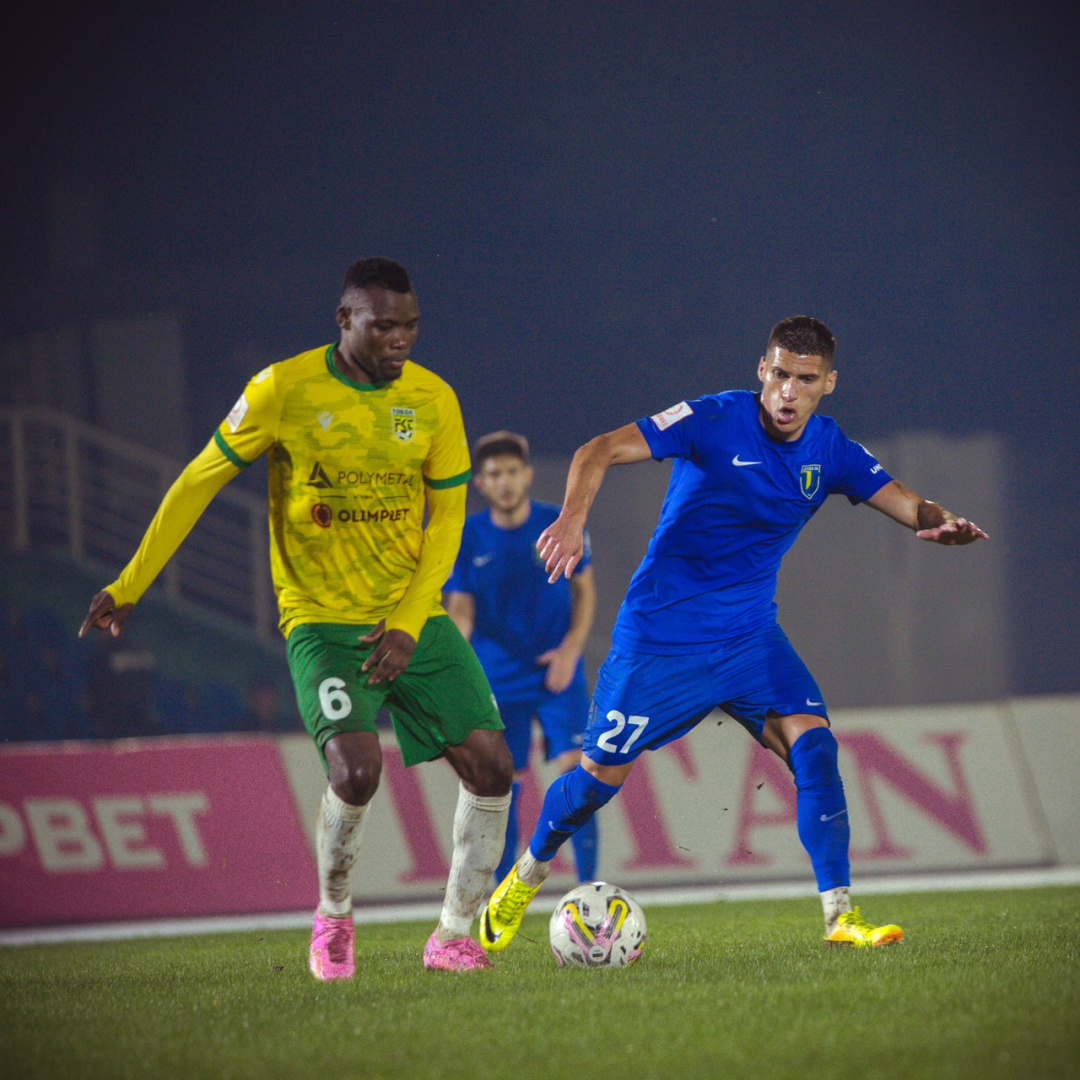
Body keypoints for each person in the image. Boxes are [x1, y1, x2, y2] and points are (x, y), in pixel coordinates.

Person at [480, 316, 988, 954]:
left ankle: (840, 917)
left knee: (816, 749)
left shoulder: (830, 450)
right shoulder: (712, 418)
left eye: (806, 380)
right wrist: (573, 519)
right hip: (659, 642)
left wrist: (940, 521)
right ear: (762, 370)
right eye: (780, 374)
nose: (789, 391)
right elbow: (597, 449)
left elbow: (907, 503)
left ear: (828, 384)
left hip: (749, 640)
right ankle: (527, 872)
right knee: (592, 786)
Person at [79, 257, 513, 975]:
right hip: (322, 620)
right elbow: (198, 480)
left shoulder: (434, 399)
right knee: (356, 771)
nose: (401, 339)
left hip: (410, 613)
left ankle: (452, 935)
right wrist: (130, 583)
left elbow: (446, 522)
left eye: (410, 325)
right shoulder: (282, 389)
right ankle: (333, 917)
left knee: (493, 766)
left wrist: (410, 620)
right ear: (345, 320)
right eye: (384, 325)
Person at [445, 431, 598, 885]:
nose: (506, 481)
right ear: (480, 483)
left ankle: (588, 889)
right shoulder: (468, 536)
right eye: (495, 474)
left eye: (512, 471)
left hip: (557, 671)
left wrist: (571, 650)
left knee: (580, 775)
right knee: (502, 786)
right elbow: (460, 610)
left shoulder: (558, 523)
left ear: (527, 475)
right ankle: (503, 894)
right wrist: (453, 671)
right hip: (496, 677)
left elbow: (584, 591)